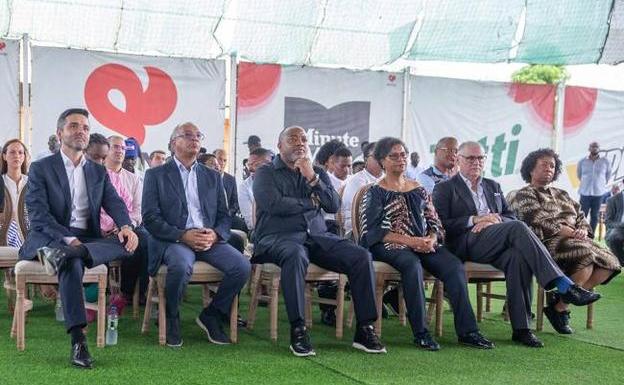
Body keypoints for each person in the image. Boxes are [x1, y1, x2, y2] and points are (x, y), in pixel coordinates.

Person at [432, 141, 600, 348]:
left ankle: (521, 329)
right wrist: (475, 220)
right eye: (470, 158)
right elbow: (440, 224)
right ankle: (563, 284)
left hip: (495, 240)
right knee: (519, 228)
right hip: (465, 242)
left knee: (517, 257)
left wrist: (495, 220)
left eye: (480, 158)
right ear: (458, 159)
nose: (476, 162)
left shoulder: (492, 186)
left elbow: (509, 216)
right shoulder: (445, 188)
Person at [19, 108, 138, 368]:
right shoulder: (41, 168)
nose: (81, 131)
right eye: (74, 126)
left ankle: (73, 253)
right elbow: (39, 215)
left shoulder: (97, 171)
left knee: (128, 242)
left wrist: (126, 226)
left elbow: (115, 203)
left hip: (88, 239)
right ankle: (78, 340)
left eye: (85, 127)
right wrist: (69, 240)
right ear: (60, 133)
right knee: (71, 263)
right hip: (51, 236)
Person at [252, 125, 385, 357]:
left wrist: (312, 178)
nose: (300, 143)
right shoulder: (265, 173)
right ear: (279, 146)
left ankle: (365, 328)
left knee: (360, 256)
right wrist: (310, 203)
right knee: (295, 255)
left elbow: (332, 205)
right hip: (278, 237)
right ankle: (298, 329)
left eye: (304, 139)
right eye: (293, 139)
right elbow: (274, 205)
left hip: (317, 237)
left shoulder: (317, 173)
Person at [359, 137, 493, 350]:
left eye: (403, 154)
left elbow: (436, 223)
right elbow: (373, 232)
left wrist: (431, 238)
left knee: (453, 266)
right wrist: (412, 241)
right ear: (381, 161)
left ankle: (469, 331)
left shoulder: (419, 189)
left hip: (423, 243)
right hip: (390, 245)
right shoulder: (375, 191)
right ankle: (421, 332)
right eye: (393, 156)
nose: (400, 159)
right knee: (412, 266)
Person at [142, 122, 250, 347]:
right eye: (188, 135)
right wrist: (182, 235)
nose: (195, 139)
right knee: (181, 266)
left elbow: (224, 215)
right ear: (173, 144)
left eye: (198, 135)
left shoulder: (212, 176)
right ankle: (172, 316)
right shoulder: (156, 175)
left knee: (241, 266)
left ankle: (212, 314)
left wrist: (216, 235)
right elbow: (150, 218)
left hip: (208, 238)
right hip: (174, 239)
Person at [509, 149, 621, 334]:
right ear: (531, 169)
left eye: (552, 165)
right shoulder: (524, 194)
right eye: (544, 164)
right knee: (584, 257)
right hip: (546, 242)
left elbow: (581, 216)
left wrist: (583, 230)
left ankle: (559, 306)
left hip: (577, 239)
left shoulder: (563, 194)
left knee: (610, 262)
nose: (549, 168)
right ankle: (560, 306)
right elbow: (533, 218)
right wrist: (565, 231)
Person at [104, 135, 150, 309]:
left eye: (122, 148)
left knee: (144, 239)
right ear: (106, 150)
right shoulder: (97, 175)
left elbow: (138, 211)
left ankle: (130, 293)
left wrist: (125, 226)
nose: (119, 151)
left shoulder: (133, 179)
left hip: (127, 227)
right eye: (115, 147)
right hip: (102, 230)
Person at [341, 142, 383, 236]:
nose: (381, 160)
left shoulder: (387, 178)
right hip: (357, 232)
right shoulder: (357, 181)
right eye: (377, 156)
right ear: (365, 160)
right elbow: (367, 212)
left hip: (380, 229)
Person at [1, 139, 30, 248]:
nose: (16, 155)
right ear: (4, 156)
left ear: (24, 157)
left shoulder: (33, 182)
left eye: (20, 152)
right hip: (4, 229)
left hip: (28, 229)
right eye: (12, 152)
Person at [577, 142, 611, 233]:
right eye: (593, 146)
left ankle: (590, 236)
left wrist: (600, 185)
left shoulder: (605, 161)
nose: (594, 148)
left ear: (599, 149)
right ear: (589, 148)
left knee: (595, 216)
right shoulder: (582, 161)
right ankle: (581, 235)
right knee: (582, 215)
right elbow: (579, 175)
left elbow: (608, 175)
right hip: (585, 193)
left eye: (596, 147)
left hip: (598, 194)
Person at [238, 147, 272, 232]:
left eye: (256, 164)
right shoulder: (245, 186)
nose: (250, 169)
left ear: (269, 164)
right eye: (249, 165)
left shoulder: (281, 181)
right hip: (259, 230)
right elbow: (251, 223)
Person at [606, 187, 624, 265]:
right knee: (614, 238)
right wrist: (621, 225)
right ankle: (622, 262)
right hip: (619, 227)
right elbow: (608, 222)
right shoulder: (612, 200)